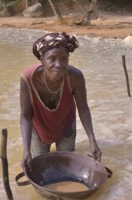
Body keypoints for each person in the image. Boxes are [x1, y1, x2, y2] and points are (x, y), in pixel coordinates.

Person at [20, 32, 102, 170]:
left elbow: (83, 108)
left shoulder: (74, 77)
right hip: (38, 129)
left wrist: (92, 140)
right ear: (42, 60)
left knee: (65, 167)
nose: (58, 64)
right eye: (51, 59)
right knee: (41, 168)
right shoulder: (28, 78)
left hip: (65, 125)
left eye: (64, 59)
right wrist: (26, 150)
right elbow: (26, 115)